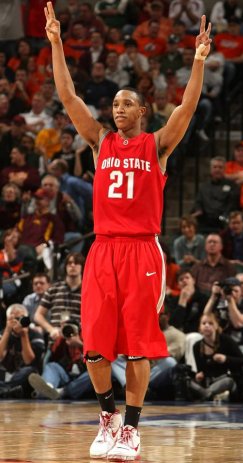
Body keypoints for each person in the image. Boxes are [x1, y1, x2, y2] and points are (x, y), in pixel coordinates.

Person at [44, 3, 211, 460]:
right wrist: (56, 43)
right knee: (95, 346)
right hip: (103, 250)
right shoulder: (99, 141)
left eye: (126, 103)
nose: (117, 109)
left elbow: (188, 106)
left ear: (142, 110)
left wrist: (197, 61)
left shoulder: (156, 144)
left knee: (138, 348)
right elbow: (68, 97)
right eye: (115, 103)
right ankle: (106, 419)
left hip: (141, 251)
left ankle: (132, 431)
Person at [188, 312, 243, 401]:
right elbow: (201, 370)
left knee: (228, 381)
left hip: (224, 380)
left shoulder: (226, 340)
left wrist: (226, 359)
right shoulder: (197, 346)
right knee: (186, 380)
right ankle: (209, 395)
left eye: (210, 323)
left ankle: (205, 394)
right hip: (208, 383)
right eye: (204, 323)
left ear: (216, 326)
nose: (207, 326)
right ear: (200, 327)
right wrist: (199, 376)